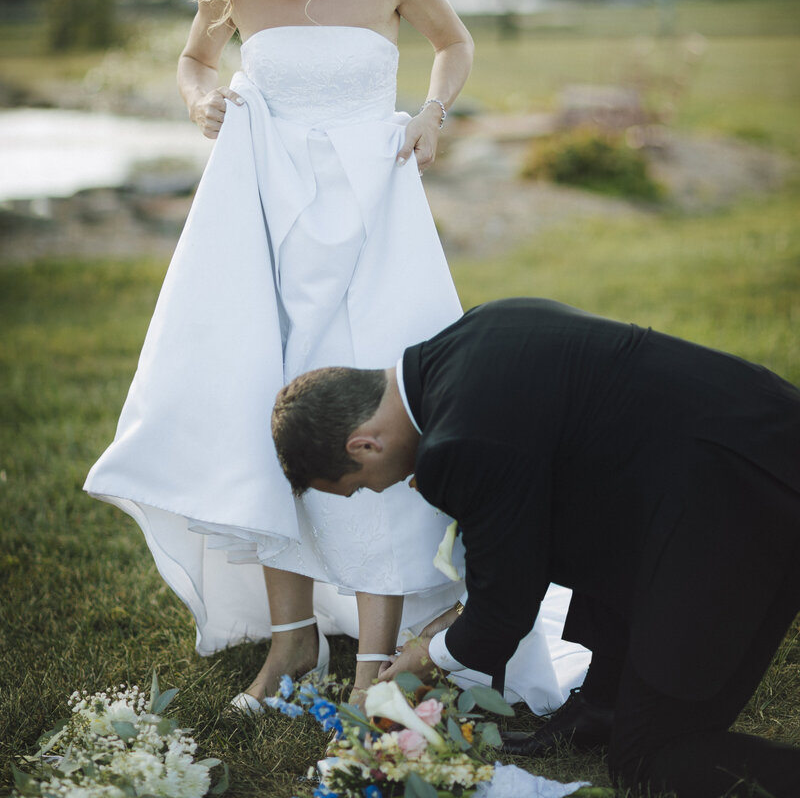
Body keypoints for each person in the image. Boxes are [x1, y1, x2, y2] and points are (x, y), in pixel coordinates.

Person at [84, 0, 585, 717]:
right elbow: (196, 60)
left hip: (374, 223)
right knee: (268, 409)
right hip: (268, 226)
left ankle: (376, 657)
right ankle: (292, 641)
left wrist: (434, 111)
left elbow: (454, 43)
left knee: (378, 417)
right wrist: (203, 99)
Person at [272, 297, 800, 798]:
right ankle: (602, 710)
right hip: (746, 436)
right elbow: (537, 531)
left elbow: (507, 610)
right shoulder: (471, 337)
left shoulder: (461, 443)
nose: (380, 490)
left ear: (364, 445)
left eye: (362, 483)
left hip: (748, 499)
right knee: (587, 518)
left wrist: (425, 658)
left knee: (645, 765)